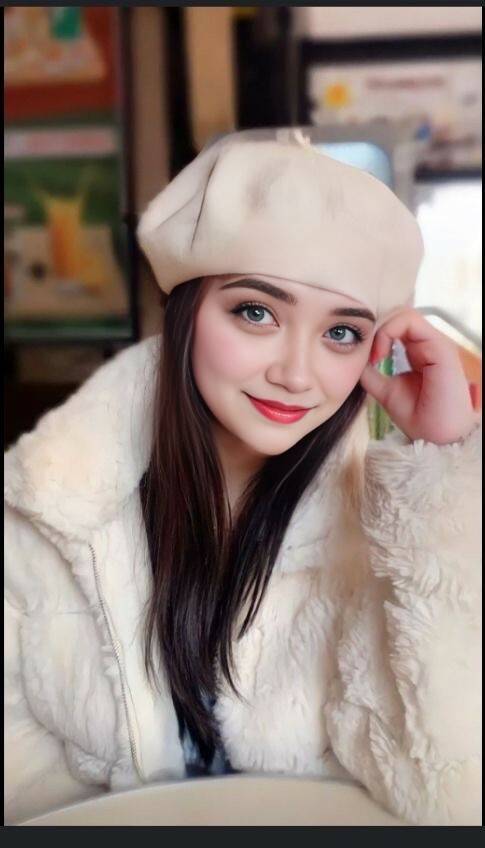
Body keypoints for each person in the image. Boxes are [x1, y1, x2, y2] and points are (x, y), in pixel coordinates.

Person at [4, 132, 481, 826]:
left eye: (341, 333)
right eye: (256, 312)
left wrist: (442, 458)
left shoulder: (389, 533)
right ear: (185, 313)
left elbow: (448, 788)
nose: (296, 373)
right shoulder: (45, 509)